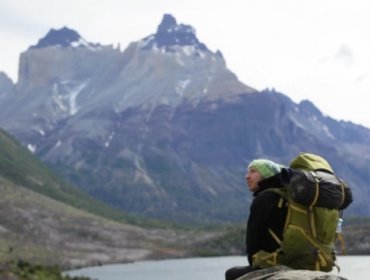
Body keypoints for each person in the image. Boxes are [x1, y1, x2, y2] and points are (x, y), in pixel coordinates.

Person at [225, 159, 287, 280]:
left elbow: (253, 239)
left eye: (253, 172)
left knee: (230, 274)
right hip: (293, 259)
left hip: (274, 263)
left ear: (266, 175)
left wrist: (255, 263)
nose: (247, 176)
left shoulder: (264, 198)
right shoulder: (284, 196)